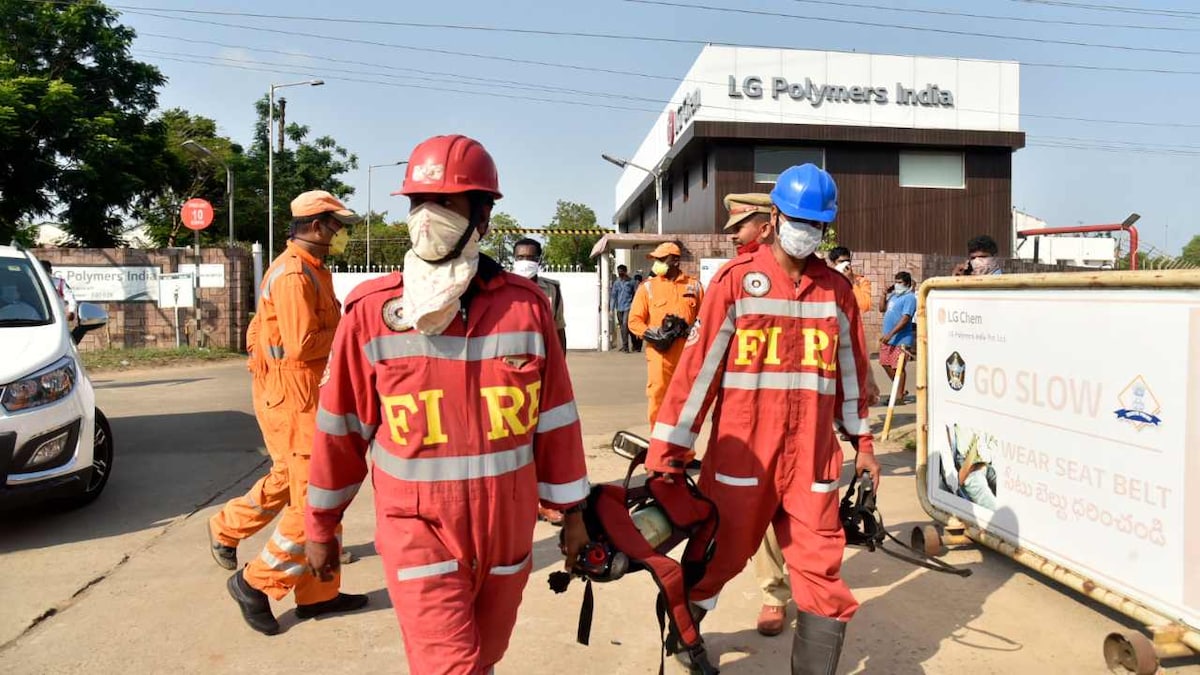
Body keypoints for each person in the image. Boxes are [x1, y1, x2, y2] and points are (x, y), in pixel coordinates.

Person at [303, 134, 590, 674]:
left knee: (485, 657)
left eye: (447, 203)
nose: (427, 217)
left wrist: (572, 512)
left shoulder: (524, 309)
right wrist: (320, 524)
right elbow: (340, 430)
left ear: (481, 215)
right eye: (417, 203)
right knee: (449, 667)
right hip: (418, 527)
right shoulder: (371, 311)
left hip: (508, 525)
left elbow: (555, 419)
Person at [646, 163, 879, 675]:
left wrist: (863, 446)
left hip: (812, 463)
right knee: (716, 562)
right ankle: (684, 640)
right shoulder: (735, 283)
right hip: (741, 458)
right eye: (797, 219)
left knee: (821, 572)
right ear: (774, 217)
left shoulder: (836, 292)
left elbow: (853, 379)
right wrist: (667, 456)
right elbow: (695, 378)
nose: (806, 231)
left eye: (816, 224)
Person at [224, 190, 368, 636]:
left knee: (323, 495)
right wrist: (353, 327)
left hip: (309, 399)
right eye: (337, 226)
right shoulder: (292, 276)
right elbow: (304, 343)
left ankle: (318, 595)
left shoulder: (312, 270)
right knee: (312, 504)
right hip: (297, 404)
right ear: (317, 226)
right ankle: (255, 583)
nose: (340, 234)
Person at [627, 242, 703, 425]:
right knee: (658, 398)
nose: (657, 264)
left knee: (686, 401)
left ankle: (683, 450)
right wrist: (652, 335)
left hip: (687, 354)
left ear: (675, 260)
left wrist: (690, 329)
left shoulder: (694, 286)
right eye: (656, 260)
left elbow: (706, 319)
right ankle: (658, 446)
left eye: (661, 259)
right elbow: (634, 321)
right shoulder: (648, 287)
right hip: (660, 356)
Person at [511, 238, 567, 352]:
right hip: (511, 356)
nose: (525, 262)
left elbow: (559, 328)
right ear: (514, 260)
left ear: (539, 261)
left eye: (531, 258)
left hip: (543, 356)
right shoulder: (502, 287)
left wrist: (560, 365)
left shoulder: (552, 289)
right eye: (520, 257)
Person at [878, 271, 917, 404]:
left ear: (907, 284)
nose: (897, 285)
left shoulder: (910, 298)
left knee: (898, 367)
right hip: (887, 338)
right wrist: (883, 295)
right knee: (885, 363)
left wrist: (891, 334)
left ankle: (898, 395)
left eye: (900, 282)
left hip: (901, 339)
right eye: (896, 282)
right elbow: (882, 309)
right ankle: (898, 389)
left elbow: (906, 318)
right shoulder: (894, 296)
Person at [826, 246, 872, 314]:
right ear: (833, 263)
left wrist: (851, 281)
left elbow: (865, 306)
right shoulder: (826, 281)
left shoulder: (862, 281)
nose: (846, 264)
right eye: (841, 262)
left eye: (847, 261)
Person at [611, 264, 638, 352]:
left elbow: (636, 294)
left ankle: (627, 347)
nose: (621, 275)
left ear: (626, 272)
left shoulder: (631, 282)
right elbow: (613, 296)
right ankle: (626, 344)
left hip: (628, 307)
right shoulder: (616, 283)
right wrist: (611, 309)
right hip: (619, 308)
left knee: (626, 325)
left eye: (622, 273)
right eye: (619, 273)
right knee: (623, 327)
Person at [631, 273, 645, 352]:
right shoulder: (632, 288)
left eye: (638, 281)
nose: (637, 283)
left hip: (642, 311)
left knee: (641, 329)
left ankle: (639, 346)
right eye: (636, 281)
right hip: (633, 310)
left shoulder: (643, 289)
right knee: (632, 330)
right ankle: (634, 344)